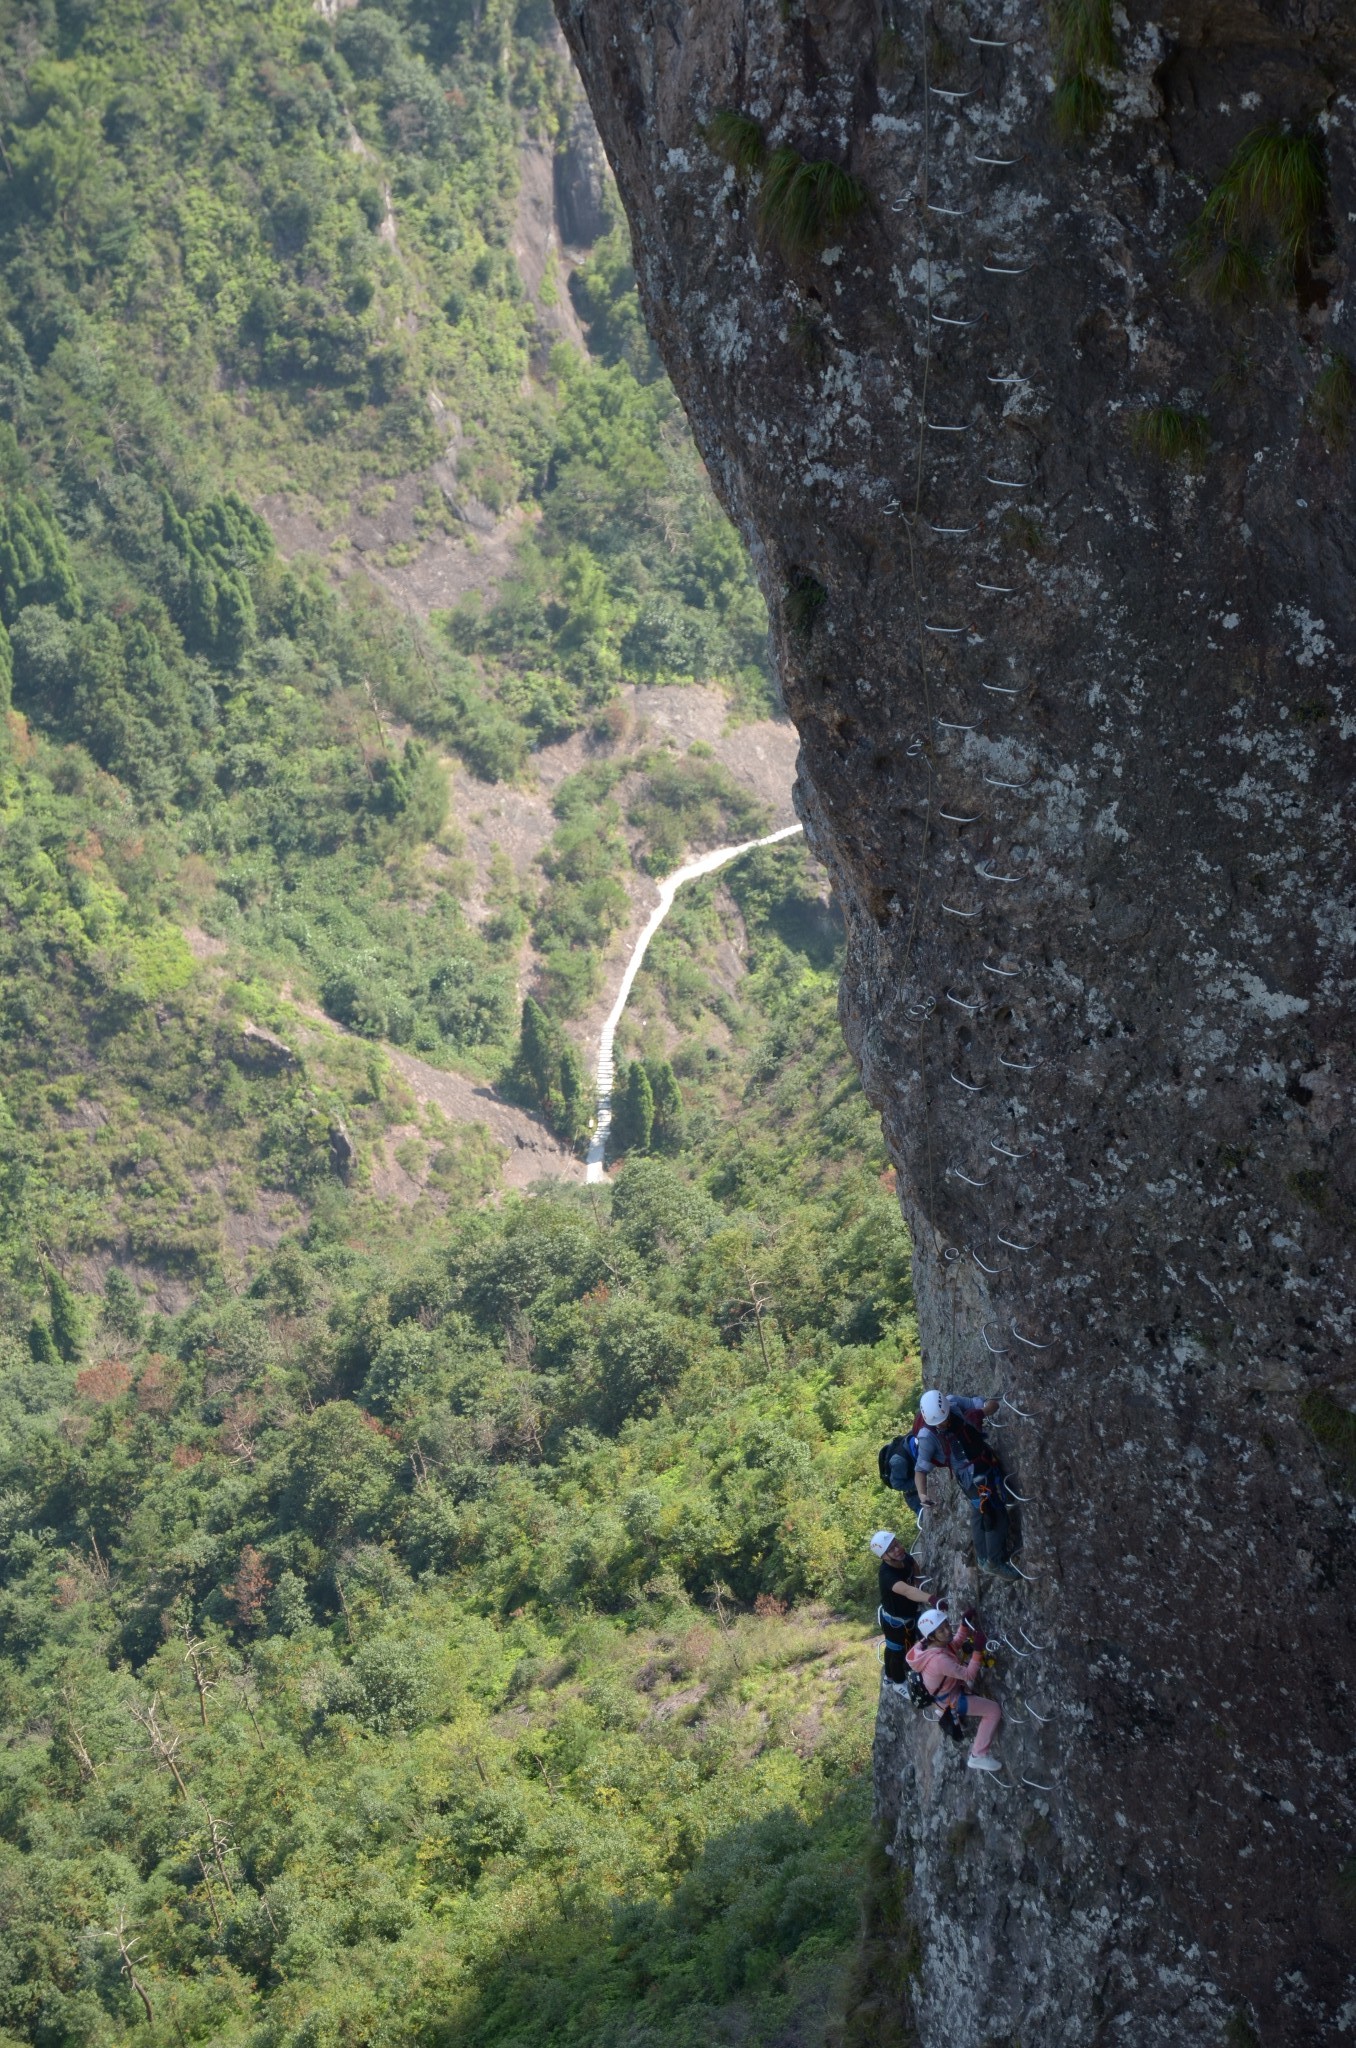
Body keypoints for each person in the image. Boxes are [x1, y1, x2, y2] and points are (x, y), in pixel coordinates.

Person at [914, 1389, 1019, 1579]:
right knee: (994, 1513)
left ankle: (983, 1558)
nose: (943, 1424)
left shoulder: (953, 1403)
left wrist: (982, 1412)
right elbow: (920, 1469)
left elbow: (988, 1403)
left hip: (983, 1462)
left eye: (944, 1419)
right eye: (937, 1423)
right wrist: (922, 1494)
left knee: (979, 1512)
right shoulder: (927, 1437)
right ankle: (994, 1561)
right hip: (970, 1478)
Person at [906, 1606, 1003, 1771]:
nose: (947, 1631)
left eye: (946, 1625)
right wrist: (978, 1651)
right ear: (931, 1637)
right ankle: (978, 1755)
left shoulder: (928, 1646)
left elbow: (954, 1644)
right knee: (993, 1711)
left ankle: (945, 1711)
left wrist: (964, 1626)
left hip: (943, 1692)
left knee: (961, 1664)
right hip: (952, 1699)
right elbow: (969, 1674)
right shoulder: (938, 1661)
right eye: (941, 1630)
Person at [869, 1529, 931, 1689]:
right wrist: (931, 1597)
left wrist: (918, 1580)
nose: (897, 1549)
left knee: (899, 1647)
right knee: (897, 1652)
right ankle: (897, 1681)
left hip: (907, 1615)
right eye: (891, 1549)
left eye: (896, 1544)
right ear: (883, 1557)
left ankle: (889, 1676)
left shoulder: (904, 1558)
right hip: (895, 1623)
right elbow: (908, 1591)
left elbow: (914, 1567)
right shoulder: (887, 1575)